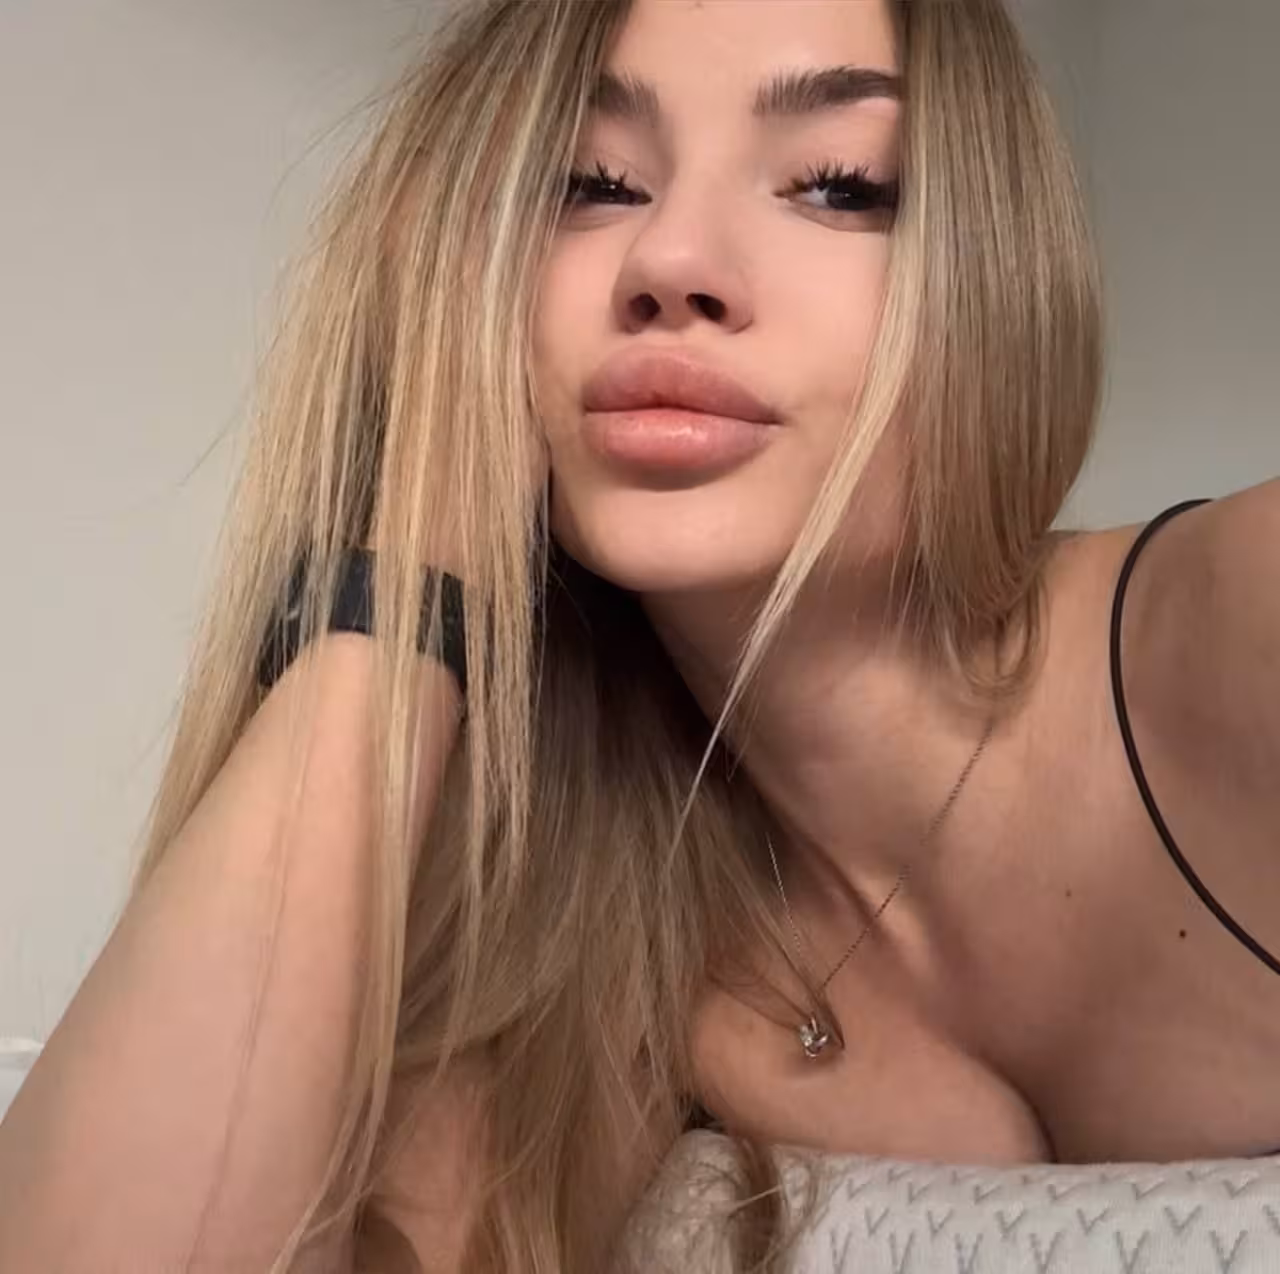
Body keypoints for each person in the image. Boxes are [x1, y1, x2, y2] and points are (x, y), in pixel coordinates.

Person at [0, 0, 1276, 1270]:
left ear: (1001, 273)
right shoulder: (588, 917)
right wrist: (406, 559)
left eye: (838, 184)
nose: (669, 259)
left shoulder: (1238, 627)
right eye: (592, 185)